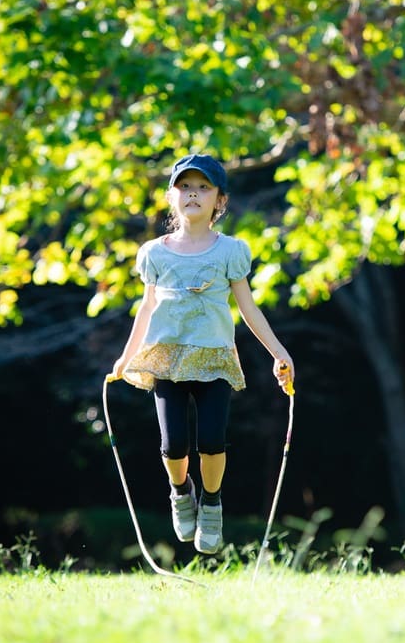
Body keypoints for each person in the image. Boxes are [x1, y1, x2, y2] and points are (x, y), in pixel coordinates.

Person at [111, 153, 294, 555]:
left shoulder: (230, 251)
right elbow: (146, 307)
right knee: (172, 444)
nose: (193, 194)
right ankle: (181, 490)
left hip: (213, 358)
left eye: (203, 188)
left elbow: (248, 307)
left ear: (219, 201)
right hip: (166, 358)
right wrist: (125, 359)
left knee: (212, 440)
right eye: (185, 187)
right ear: (171, 197)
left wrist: (279, 352)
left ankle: (212, 502)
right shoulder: (155, 253)